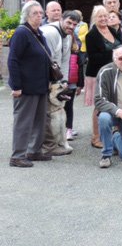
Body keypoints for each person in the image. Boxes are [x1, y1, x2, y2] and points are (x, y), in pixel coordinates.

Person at [8, 1, 51, 167]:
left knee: (40, 121)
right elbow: (12, 60)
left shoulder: (37, 33)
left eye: (41, 13)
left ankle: (34, 151)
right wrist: (16, 86)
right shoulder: (21, 33)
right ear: (26, 15)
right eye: (35, 13)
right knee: (23, 122)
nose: (39, 16)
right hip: (25, 87)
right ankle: (17, 155)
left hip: (40, 86)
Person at [41, 10, 80, 156]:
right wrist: (50, 83)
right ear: (62, 19)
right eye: (69, 22)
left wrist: (64, 81)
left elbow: (65, 60)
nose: (71, 26)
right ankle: (46, 145)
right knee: (44, 113)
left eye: (74, 24)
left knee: (55, 111)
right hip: (44, 78)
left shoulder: (68, 37)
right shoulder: (50, 33)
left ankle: (55, 143)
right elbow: (45, 59)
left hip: (55, 77)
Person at [85, 5, 121, 149]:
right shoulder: (91, 35)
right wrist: (113, 55)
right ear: (95, 18)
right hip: (97, 74)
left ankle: (113, 132)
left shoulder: (113, 30)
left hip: (115, 73)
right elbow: (93, 57)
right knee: (99, 106)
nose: (104, 19)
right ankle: (96, 137)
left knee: (115, 102)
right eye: (100, 16)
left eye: (105, 16)